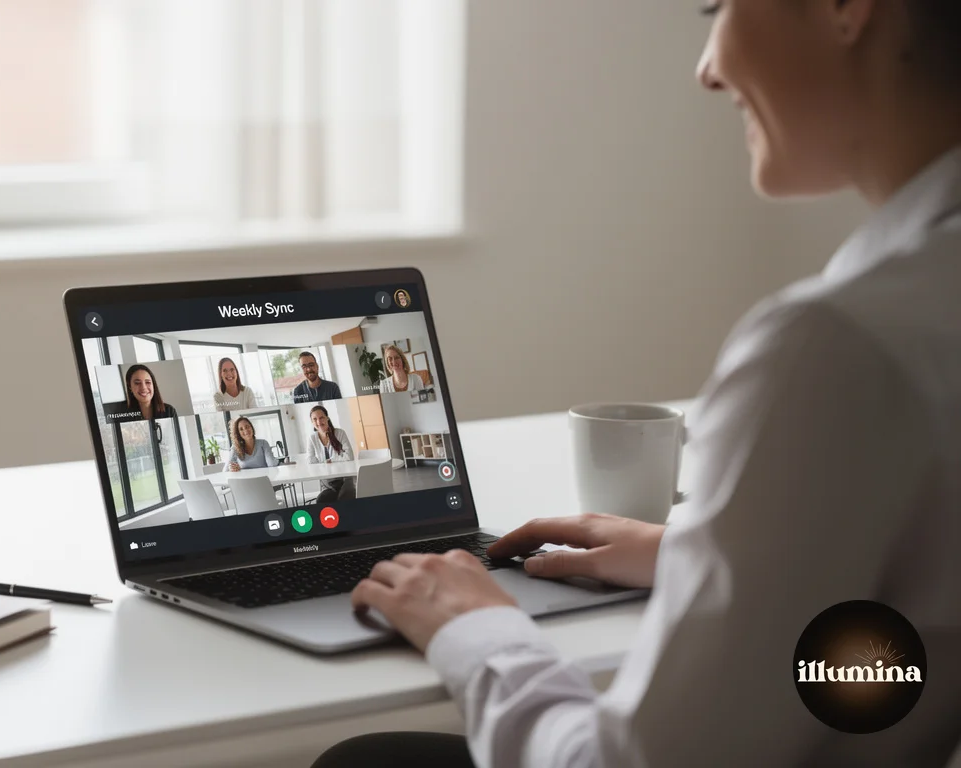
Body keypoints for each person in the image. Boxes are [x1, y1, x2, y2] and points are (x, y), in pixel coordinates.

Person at [318, 2, 961, 766]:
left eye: (717, 7)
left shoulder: (841, 344)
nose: (708, 68)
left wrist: (476, 629)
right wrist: (703, 553)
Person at [307, 405, 355, 503]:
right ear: (312, 422)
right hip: (327, 483)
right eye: (315, 419)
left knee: (344, 498)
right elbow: (310, 460)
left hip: (344, 479)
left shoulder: (340, 433)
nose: (319, 422)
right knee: (321, 500)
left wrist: (331, 460)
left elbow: (349, 456)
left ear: (327, 418)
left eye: (321, 418)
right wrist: (323, 462)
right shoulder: (312, 438)